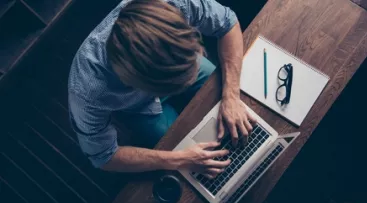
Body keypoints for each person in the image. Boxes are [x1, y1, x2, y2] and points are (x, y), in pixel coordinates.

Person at [68, 0, 256, 179]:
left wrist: (231, 95)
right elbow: (104, 157)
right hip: (139, 107)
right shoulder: (86, 92)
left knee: (234, 94)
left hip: (180, 64)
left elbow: (227, 23)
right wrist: (181, 159)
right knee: (174, 143)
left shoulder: (173, 4)